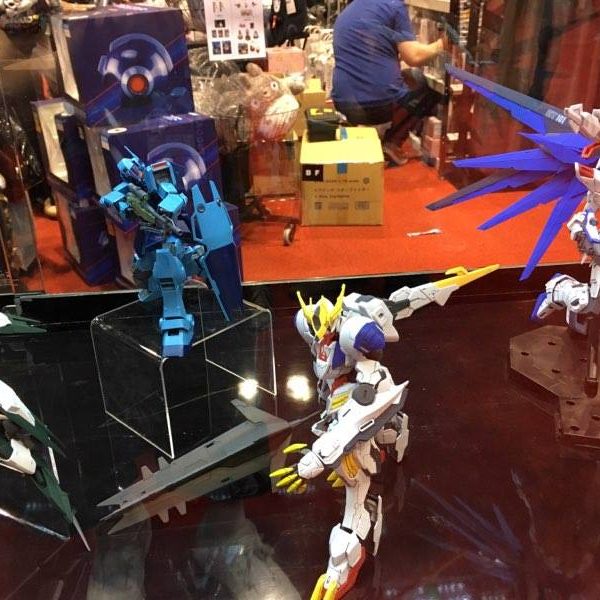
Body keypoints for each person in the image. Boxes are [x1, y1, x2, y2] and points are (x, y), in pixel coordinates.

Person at [332, 0, 447, 165]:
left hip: (342, 102)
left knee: (408, 76)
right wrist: (441, 44)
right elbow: (413, 56)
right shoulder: (395, 6)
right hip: (373, 106)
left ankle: (369, 131)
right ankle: (391, 141)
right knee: (425, 86)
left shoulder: (350, 9)